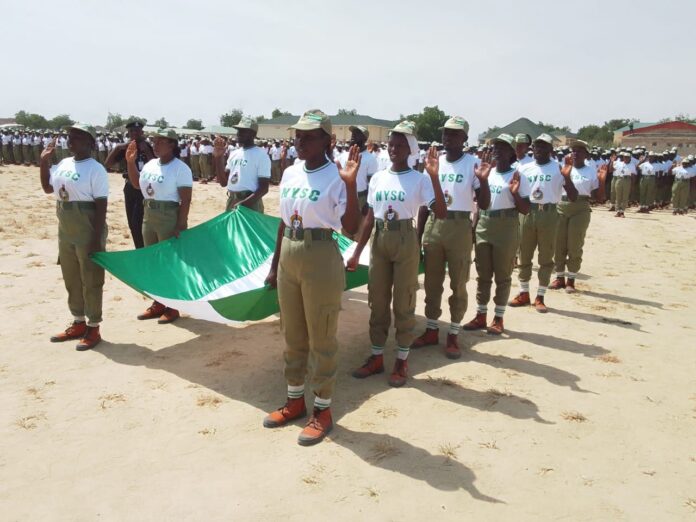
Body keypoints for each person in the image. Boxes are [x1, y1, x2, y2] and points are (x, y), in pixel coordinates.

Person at [263, 110, 360, 446]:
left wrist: (350, 184)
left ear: (328, 140)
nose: (300, 141)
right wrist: (276, 265)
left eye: (308, 136)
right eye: (298, 135)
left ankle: (322, 410)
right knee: (292, 333)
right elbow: (282, 221)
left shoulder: (337, 176)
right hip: (290, 252)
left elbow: (350, 228)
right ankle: (294, 401)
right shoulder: (290, 172)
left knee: (321, 336)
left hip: (321, 256)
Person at [348, 121, 447, 387]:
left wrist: (435, 178)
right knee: (377, 300)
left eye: (400, 145)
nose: (393, 148)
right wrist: (357, 251)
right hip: (380, 238)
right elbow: (369, 216)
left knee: (403, 301)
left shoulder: (420, 179)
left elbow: (441, 211)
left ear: (410, 149)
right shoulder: (379, 177)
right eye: (391, 144)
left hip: (405, 237)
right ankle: (377, 356)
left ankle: (402, 359)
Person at [410, 116, 489, 359]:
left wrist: (484, 182)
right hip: (435, 225)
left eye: (454, 134)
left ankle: (453, 332)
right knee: (432, 282)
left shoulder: (473, 164)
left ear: (465, 138)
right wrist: (419, 234)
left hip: (459, 227)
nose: (448, 137)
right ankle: (432, 328)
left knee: (458, 282)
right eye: (445, 132)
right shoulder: (435, 162)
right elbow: (425, 203)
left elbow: (484, 203)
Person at [39, 124, 108, 351]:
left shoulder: (95, 169)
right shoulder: (64, 164)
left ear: (90, 142)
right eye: (70, 137)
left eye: (77, 137)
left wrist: (95, 240)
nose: (71, 140)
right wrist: (43, 162)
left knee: (91, 278)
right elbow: (48, 189)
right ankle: (78, 322)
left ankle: (93, 326)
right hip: (65, 225)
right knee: (71, 277)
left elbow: (101, 207)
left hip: (86, 225)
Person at [463, 134, 530, 335]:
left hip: (506, 226)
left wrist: (515, 193)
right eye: (495, 147)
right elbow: (478, 204)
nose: (497, 150)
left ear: (511, 152)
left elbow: (526, 209)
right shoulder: (486, 173)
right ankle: (480, 315)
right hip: (484, 223)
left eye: (502, 147)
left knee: (502, 275)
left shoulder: (518, 175)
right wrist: (474, 229)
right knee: (483, 274)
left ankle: (498, 318)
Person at [126, 129, 193, 324]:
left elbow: (186, 199)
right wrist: (130, 163)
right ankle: (158, 302)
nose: (154, 145)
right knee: (154, 261)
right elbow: (137, 185)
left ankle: (172, 306)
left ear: (172, 144)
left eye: (159, 141)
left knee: (169, 263)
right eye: (153, 141)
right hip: (149, 215)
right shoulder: (150, 165)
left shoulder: (180, 168)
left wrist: (180, 224)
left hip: (168, 215)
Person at [509, 134, 578, 313]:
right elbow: (517, 193)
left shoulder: (559, 168)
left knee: (546, 257)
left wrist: (567, 178)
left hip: (548, 213)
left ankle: (540, 296)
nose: (539, 149)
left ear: (551, 149)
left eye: (543, 146)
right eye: (537, 146)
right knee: (524, 255)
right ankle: (523, 292)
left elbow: (573, 196)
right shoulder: (525, 168)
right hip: (527, 212)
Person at [549, 140, 607, 293]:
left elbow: (597, 197)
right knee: (558, 243)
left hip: (580, 208)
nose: (575, 153)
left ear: (586, 155)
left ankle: (571, 279)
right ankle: (559, 277)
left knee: (575, 244)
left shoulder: (590, 171)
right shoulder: (562, 169)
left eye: (580, 151)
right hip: (562, 205)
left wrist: (601, 181)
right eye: (573, 150)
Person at [105, 119, 154, 249]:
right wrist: (117, 149)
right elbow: (108, 165)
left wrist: (147, 152)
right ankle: (139, 247)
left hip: (145, 187)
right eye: (132, 131)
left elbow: (156, 165)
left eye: (137, 131)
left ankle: (144, 248)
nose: (134, 133)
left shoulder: (148, 146)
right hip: (130, 187)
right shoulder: (126, 147)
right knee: (132, 222)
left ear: (142, 132)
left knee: (139, 220)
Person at [212, 117, 270, 212]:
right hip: (232, 200)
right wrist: (218, 158)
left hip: (251, 204)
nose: (238, 133)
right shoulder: (234, 154)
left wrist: (243, 204)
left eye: (243, 131)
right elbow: (223, 182)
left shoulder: (261, 155)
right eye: (238, 130)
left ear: (253, 134)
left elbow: (263, 188)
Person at [606, 152, 635, 217]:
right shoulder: (618, 163)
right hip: (619, 179)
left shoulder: (632, 165)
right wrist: (611, 161)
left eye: (628, 157)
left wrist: (632, 185)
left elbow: (633, 175)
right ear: (623, 158)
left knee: (625, 196)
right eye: (625, 157)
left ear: (630, 158)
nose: (626, 158)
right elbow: (610, 170)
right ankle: (618, 211)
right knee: (618, 196)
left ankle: (622, 211)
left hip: (627, 180)